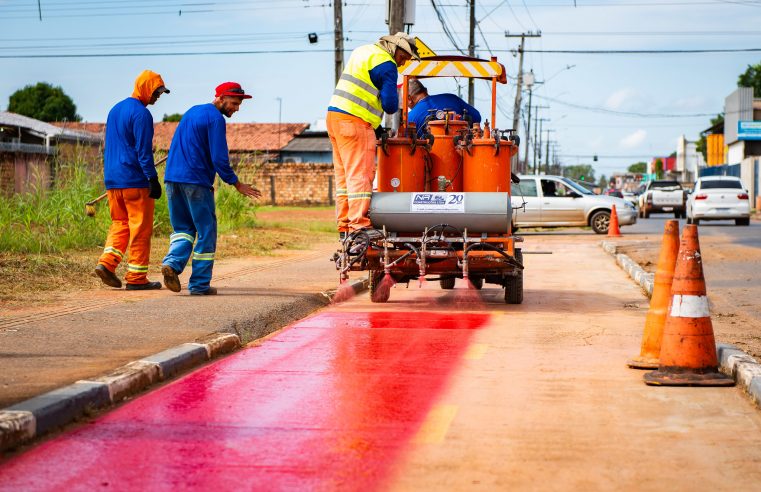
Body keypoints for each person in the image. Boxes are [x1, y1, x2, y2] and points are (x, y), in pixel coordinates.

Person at [160, 82, 261, 296]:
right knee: (206, 232)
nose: (237, 108)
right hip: (196, 182)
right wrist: (236, 183)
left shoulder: (191, 112)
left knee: (183, 230)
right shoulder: (216, 119)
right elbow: (219, 158)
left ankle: (172, 264)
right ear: (221, 98)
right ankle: (199, 284)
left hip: (171, 180)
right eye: (234, 103)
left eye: (239, 104)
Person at [327, 32, 420, 241]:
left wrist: (377, 128)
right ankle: (359, 226)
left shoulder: (363, 51)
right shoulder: (387, 64)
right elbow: (388, 105)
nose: (403, 63)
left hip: (335, 117)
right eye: (404, 57)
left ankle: (345, 226)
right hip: (356, 123)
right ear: (396, 49)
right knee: (361, 175)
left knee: (344, 177)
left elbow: (360, 90)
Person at [94, 69, 169, 291]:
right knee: (141, 229)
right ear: (145, 88)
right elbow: (143, 152)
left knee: (120, 223)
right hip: (135, 181)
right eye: (155, 93)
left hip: (113, 181)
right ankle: (136, 278)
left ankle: (106, 264)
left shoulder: (115, 110)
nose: (157, 98)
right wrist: (152, 179)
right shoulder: (142, 115)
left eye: (160, 94)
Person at [407, 78, 481, 137]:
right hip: (463, 152)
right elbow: (477, 117)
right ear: (425, 90)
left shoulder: (410, 117)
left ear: (409, 99)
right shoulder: (451, 98)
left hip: (429, 154)